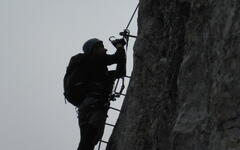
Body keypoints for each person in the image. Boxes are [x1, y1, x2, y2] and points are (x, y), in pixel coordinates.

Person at [70, 38, 126, 150]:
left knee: (87, 141)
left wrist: (121, 51)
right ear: (94, 49)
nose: (105, 50)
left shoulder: (98, 73)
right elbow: (117, 59)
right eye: (102, 47)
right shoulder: (94, 59)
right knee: (89, 140)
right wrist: (119, 47)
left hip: (84, 108)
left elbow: (120, 72)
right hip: (95, 104)